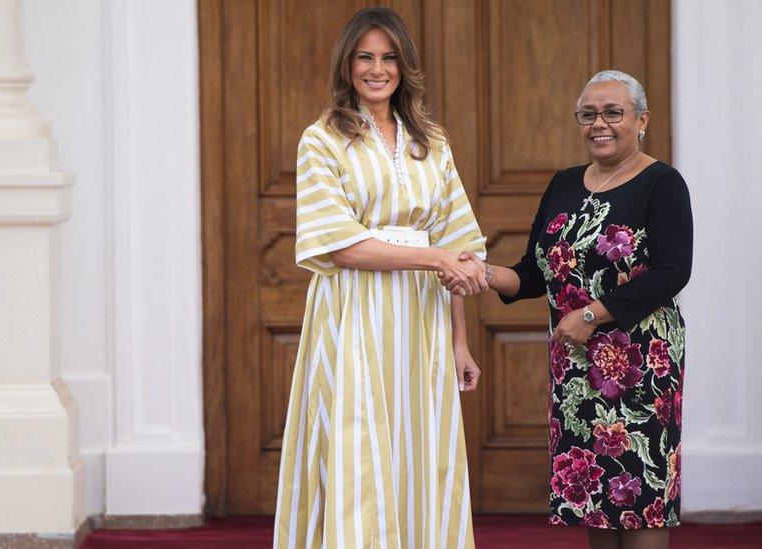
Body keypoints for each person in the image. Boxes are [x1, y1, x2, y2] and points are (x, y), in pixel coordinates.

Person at [446, 70, 692, 549]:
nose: (599, 123)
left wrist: (591, 315)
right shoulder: (562, 185)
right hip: (575, 366)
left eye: (613, 112)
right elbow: (534, 273)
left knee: (641, 496)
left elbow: (672, 271)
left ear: (642, 120)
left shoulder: (662, 183)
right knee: (594, 498)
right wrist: (481, 271)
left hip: (641, 362)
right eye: (588, 114)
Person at [273, 7, 488, 548]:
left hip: (423, 319)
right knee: (358, 440)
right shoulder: (322, 139)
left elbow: (456, 249)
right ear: (347, 64)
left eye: (388, 57)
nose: (377, 68)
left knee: (424, 448)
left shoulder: (431, 140)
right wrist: (434, 259)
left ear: (404, 65)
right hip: (354, 312)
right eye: (365, 56)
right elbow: (341, 246)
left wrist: (460, 339)